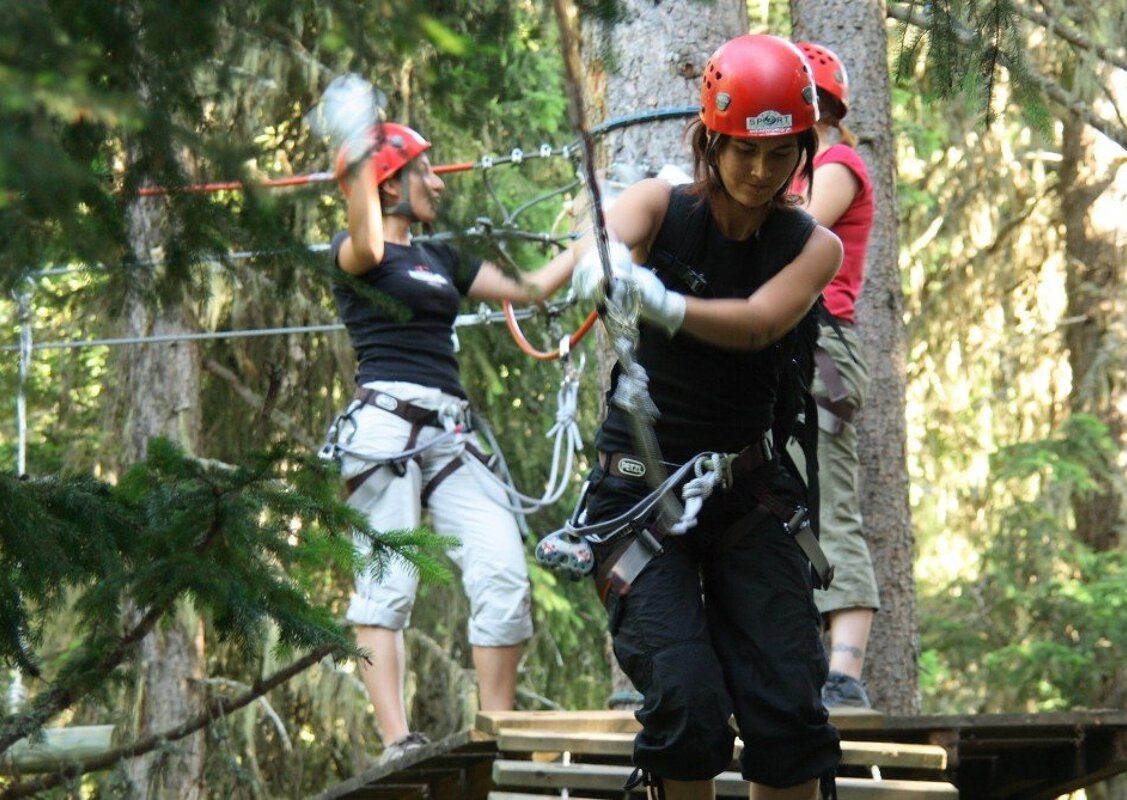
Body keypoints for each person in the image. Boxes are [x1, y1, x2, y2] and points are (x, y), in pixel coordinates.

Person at [568, 35, 844, 800]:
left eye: (780, 155)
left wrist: (664, 304)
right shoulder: (661, 206)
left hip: (747, 496)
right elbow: (595, 241)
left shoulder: (811, 246)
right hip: (638, 496)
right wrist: (596, 262)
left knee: (790, 718)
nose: (760, 173)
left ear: (802, 152)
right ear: (711, 142)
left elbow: (759, 323)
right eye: (743, 152)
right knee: (687, 710)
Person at [325, 117, 577, 763]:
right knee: (387, 584)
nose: (438, 183)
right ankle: (397, 742)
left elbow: (531, 288)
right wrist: (360, 154)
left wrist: (597, 238)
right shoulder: (356, 252)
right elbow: (364, 236)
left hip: (451, 433)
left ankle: (499, 733)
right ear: (387, 185)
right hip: (385, 426)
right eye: (423, 172)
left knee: (503, 572)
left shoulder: (440, 257)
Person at [789, 42, 879, 710]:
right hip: (783, 347)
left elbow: (797, 231)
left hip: (822, 349)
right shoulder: (799, 172)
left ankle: (843, 674)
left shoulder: (838, 163)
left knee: (829, 500)